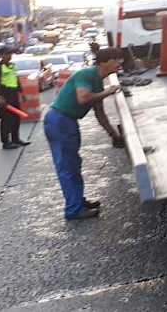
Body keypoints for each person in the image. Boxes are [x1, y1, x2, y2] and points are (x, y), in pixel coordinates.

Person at [43, 47, 124, 220]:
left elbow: (100, 113)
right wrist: (108, 91)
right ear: (104, 62)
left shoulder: (97, 81)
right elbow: (83, 98)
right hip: (60, 120)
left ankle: (78, 201)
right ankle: (73, 209)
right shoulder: (86, 74)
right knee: (67, 166)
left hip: (67, 121)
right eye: (116, 59)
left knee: (74, 164)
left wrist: (113, 134)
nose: (119, 63)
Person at [0, 46, 31, 149]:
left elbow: (16, 79)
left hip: (14, 94)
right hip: (5, 95)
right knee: (6, 119)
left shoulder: (12, 66)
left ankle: (16, 139)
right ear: (1, 55)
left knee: (16, 118)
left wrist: (22, 93)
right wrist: (1, 97)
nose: (10, 55)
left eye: (11, 53)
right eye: (7, 54)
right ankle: (6, 142)